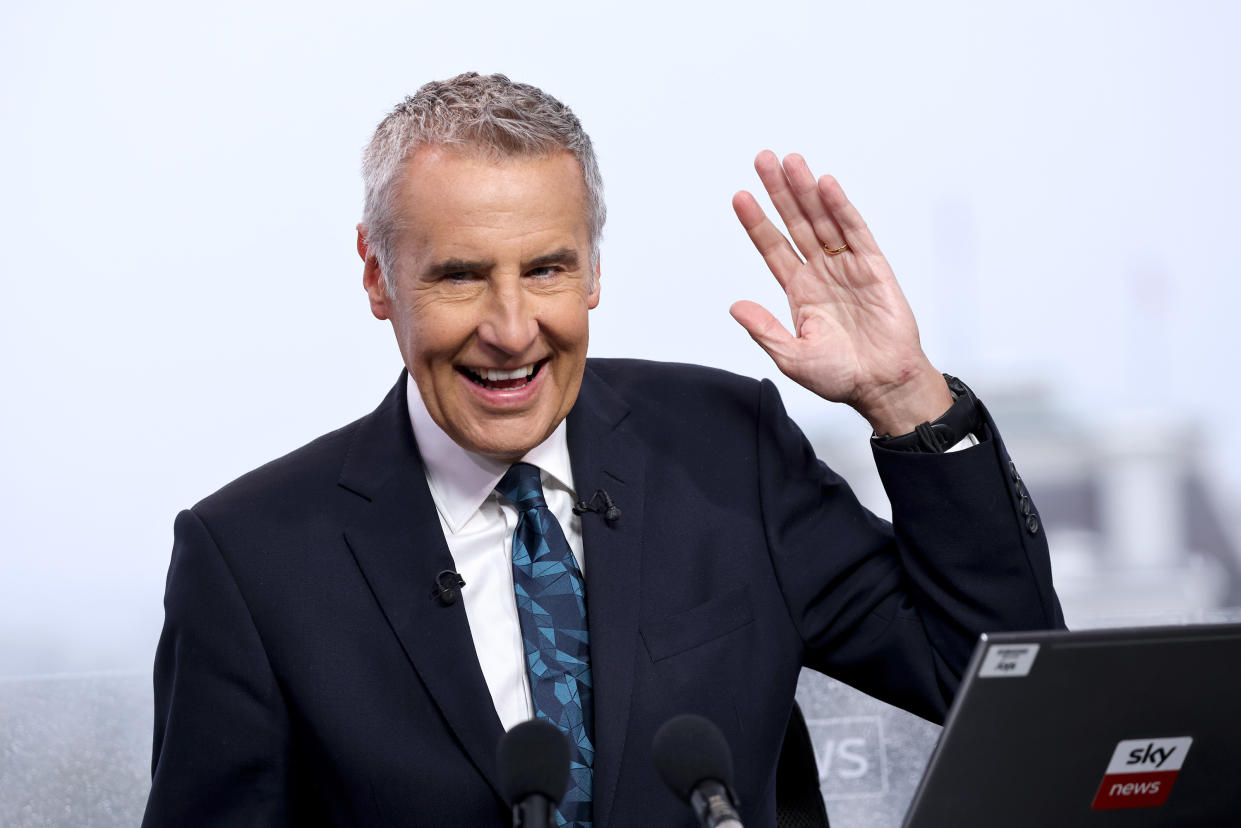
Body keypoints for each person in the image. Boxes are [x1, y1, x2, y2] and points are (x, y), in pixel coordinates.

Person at [143, 72, 1062, 827]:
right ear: (378, 275)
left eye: (546, 268)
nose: (511, 330)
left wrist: (904, 398)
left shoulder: (724, 446)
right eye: (461, 275)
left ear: (593, 268)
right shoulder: (250, 559)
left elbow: (998, 686)